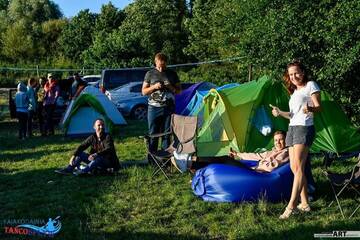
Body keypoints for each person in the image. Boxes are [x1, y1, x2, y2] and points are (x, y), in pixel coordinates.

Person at [270, 59, 321, 219]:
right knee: (295, 168)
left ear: (303, 72)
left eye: (296, 73)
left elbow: (319, 107)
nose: (293, 76)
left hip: (304, 128)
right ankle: (305, 203)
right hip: (292, 128)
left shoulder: (311, 85)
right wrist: (280, 112)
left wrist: (310, 108)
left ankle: (291, 205)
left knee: (298, 167)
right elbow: (293, 115)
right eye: (291, 74)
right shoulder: (294, 92)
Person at [142, 53, 181, 155]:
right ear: (156, 62)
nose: (162, 67)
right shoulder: (150, 74)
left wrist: (170, 87)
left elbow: (179, 91)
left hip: (168, 108)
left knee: (167, 134)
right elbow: (144, 91)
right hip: (153, 108)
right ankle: (152, 159)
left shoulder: (172, 74)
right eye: (160, 64)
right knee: (153, 134)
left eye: (164, 64)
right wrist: (154, 87)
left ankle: (165, 159)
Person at [55, 119, 120, 176]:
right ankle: (69, 169)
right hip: (95, 160)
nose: (101, 127)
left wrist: (96, 154)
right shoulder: (92, 137)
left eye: (102, 125)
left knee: (99, 158)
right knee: (80, 154)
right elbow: (82, 146)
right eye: (99, 125)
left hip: (108, 162)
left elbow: (109, 149)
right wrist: (73, 156)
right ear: (94, 127)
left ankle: (83, 171)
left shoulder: (107, 137)